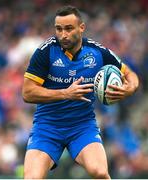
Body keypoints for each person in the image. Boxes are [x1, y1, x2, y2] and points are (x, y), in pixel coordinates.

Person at [22, 5, 139, 179]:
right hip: (47, 127)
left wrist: (129, 89)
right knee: (31, 178)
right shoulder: (45, 52)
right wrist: (65, 93)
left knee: (100, 173)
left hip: (82, 126)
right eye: (59, 29)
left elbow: (130, 74)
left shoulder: (97, 52)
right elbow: (27, 93)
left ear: (81, 27)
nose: (63, 34)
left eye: (68, 28)